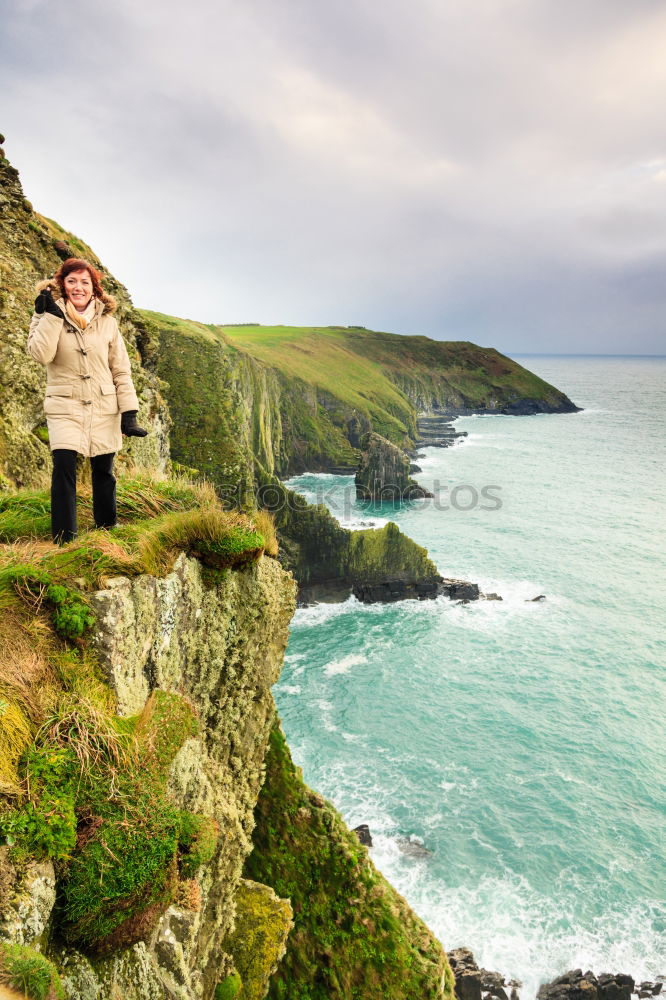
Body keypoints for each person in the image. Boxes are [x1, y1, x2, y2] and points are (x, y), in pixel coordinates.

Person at [27, 257, 148, 544]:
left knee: (104, 469)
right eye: (72, 281)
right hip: (64, 405)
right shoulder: (46, 314)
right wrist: (51, 317)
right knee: (64, 465)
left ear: (94, 287)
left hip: (104, 404)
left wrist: (128, 412)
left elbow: (120, 368)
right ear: (62, 285)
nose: (78, 287)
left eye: (84, 282)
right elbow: (39, 355)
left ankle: (107, 527)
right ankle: (64, 537)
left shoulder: (108, 323)